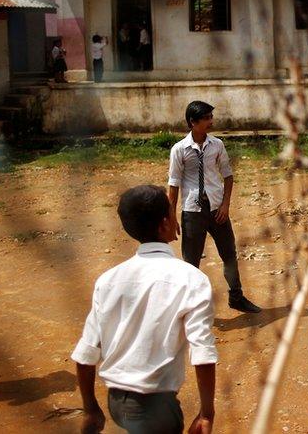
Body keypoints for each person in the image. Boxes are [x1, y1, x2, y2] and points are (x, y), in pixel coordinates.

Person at [72, 185, 218, 434]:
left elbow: (86, 354)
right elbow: (202, 352)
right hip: (157, 409)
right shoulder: (191, 279)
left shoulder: (108, 280)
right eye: (171, 211)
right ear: (164, 224)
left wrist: (91, 408)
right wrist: (206, 413)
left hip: (116, 403)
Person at [167, 101, 261, 314]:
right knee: (191, 262)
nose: (211, 121)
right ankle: (189, 307)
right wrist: (171, 217)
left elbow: (228, 176)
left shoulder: (217, 145)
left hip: (217, 209)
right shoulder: (179, 150)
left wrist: (226, 205)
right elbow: (173, 185)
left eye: (211, 117)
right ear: (193, 122)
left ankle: (236, 297)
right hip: (193, 211)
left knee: (229, 254)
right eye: (206, 118)